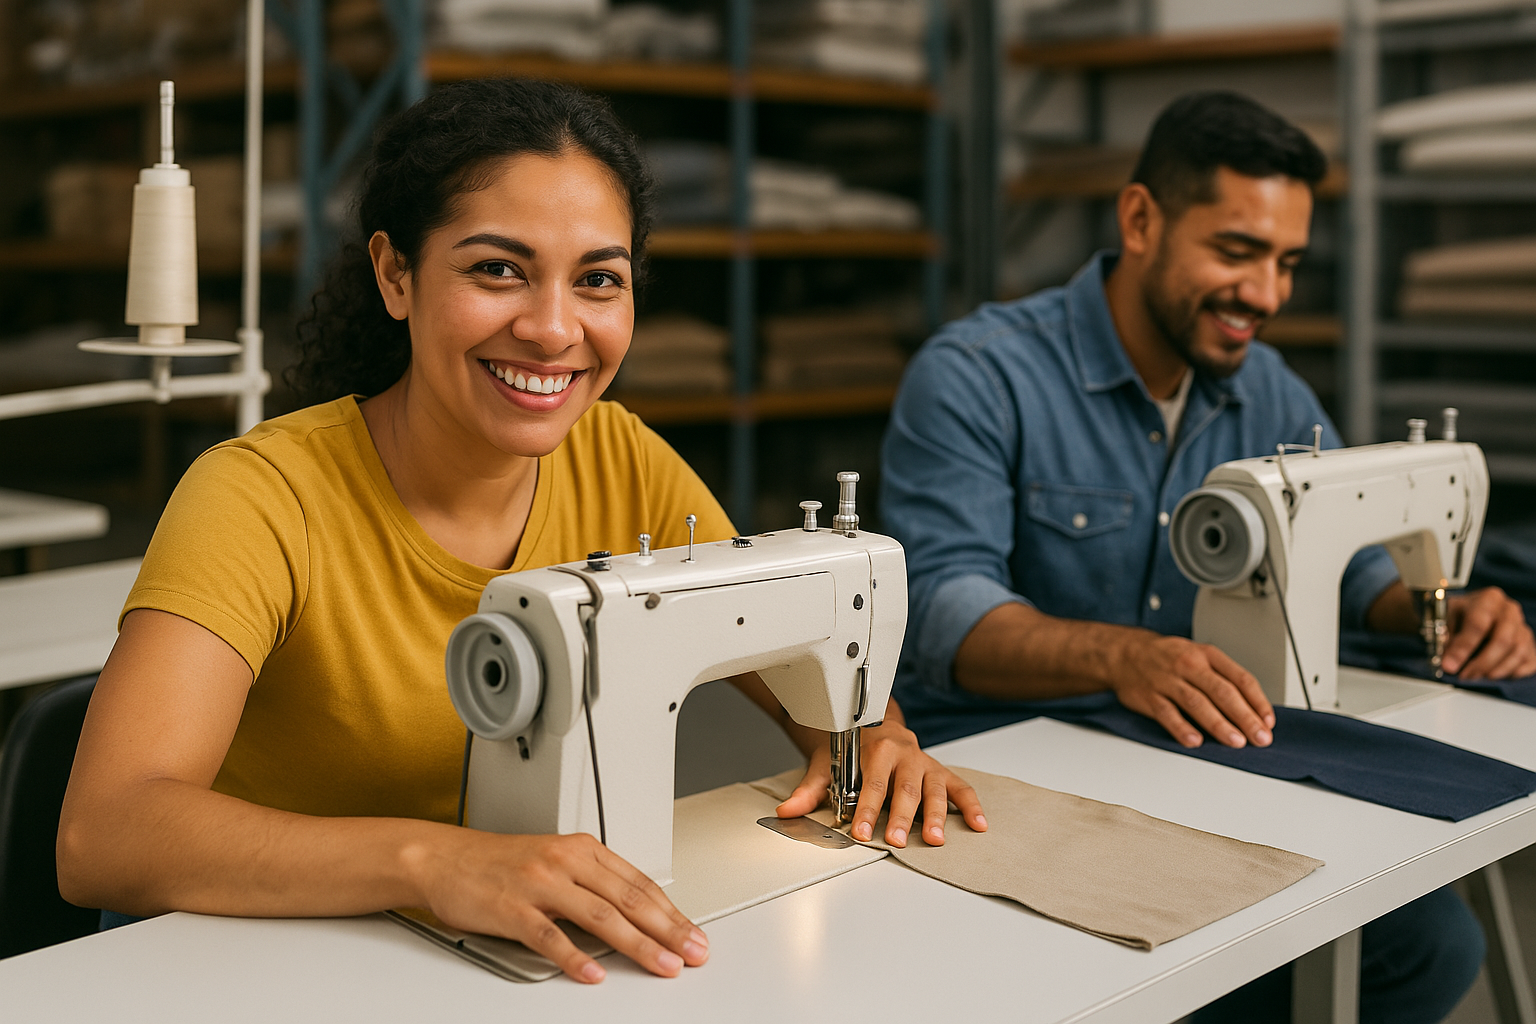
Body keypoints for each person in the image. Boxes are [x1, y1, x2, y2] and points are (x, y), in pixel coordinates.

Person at [56, 78, 984, 987]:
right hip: (228, 975)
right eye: (498, 269)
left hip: (461, 968)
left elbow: (801, 645)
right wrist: (436, 863)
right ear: (395, 274)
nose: (551, 328)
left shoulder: (622, 458)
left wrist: (873, 735)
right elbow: (104, 834)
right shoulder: (260, 497)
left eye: (598, 281)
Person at [880, 91, 1535, 1024]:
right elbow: (946, 611)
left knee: (1427, 946)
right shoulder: (978, 375)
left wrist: (1432, 608)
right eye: (1237, 252)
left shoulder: (1267, 389)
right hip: (1001, 761)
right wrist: (1120, 655)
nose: (1266, 295)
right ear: (1141, 219)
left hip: (1174, 758)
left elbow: (1351, 569)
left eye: (1287, 263)